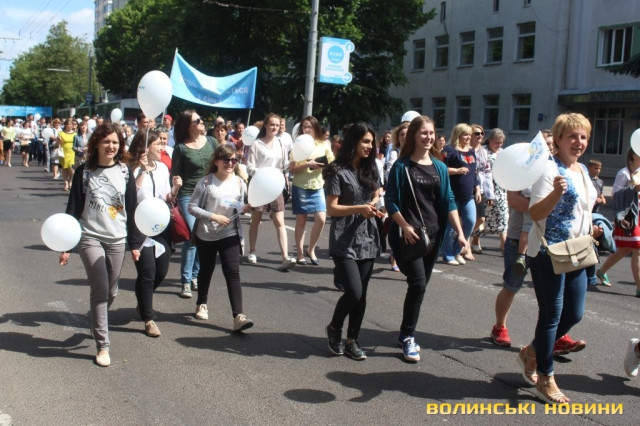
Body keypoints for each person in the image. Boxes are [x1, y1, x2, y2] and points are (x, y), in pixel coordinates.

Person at [519, 112, 595, 404]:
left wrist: (592, 227)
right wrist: (555, 194)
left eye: (583, 137)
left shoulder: (583, 170)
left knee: (574, 314)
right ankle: (545, 376)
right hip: (548, 252)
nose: (578, 142)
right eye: (572, 136)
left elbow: (582, 209)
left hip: (578, 250)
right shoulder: (549, 169)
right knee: (551, 314)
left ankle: (532, 351)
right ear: (559, 139)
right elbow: (535, 212)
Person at [59, 123, 144, 367]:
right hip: (90, 236)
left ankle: (98, 320)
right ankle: (103, 345)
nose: (111, 146)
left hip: (117, 238)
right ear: (96, 143)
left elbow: (132, 209)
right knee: (100, 288)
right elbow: (73, 209)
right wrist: (66, 245)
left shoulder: (125, 172)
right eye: (106, 141)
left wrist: (135, 243)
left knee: (111, 292)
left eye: (115, 142)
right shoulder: (84, 172)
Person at [385, 115, 468, 362]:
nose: (429, 137)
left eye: (432, 133)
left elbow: (449, 200)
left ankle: (405, 332)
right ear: (413, 135)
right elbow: (391, 200)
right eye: (424, 132)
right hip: (408, 236)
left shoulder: (440, 167)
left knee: (420, 287)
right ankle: (408, 336)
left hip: (433, 235)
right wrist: (404, 226)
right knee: (418, 284)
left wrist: (460, 233)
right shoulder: (401, 167)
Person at [324, 122, 382, 360]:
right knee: (354, 292)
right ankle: (334, 328)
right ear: (354, 141)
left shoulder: (371, 168)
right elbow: (332, 209)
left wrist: (375, 203)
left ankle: (352, 340)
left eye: (372, 143)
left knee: (362, 294)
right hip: (344, 238)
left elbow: (377, 191)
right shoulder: (337, 171)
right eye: (365, 141)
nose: (369, 146)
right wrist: (360, 208)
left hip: (368, 236)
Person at [188, 145, 254, 331]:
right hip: (206, 233)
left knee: (232, 271)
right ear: (216, 161)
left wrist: (243, 208)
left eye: (234, 160)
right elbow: (192, 207)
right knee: (206, 269)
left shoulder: (240, 183)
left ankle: (238, 316)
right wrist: (213, 216)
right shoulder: (206, 182)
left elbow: (235, 205)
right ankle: (201, 303)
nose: (230, 164)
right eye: (226, 160)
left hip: (229, 232)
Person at [128, 130, 182, 337]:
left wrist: (175, 189)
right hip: (140, 227)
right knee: (147, 272)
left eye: (162, 143)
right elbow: (130, 196)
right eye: (158, 144)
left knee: (161, 272)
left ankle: (143, 301)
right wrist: (141, 171)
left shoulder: (162, 168)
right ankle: (148, 319)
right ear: (145, 147)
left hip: (161, 225)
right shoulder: (132, 170)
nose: (162, 147)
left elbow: (166, 198)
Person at [171, 110, 219, 298]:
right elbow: (175, 174)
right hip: (188, 195)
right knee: (192, 236)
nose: (202, 121)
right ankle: (185, 281)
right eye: (197, 120)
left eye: (201, 119)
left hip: (209, 194)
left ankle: (195, 275)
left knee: (203, 235)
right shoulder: (181, 148)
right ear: (188, 126)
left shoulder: (212, 142)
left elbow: (220, 165)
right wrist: (175, 187)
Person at [246, 113, 297, 270]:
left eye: (277, 125)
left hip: (276, 186)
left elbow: (284, 165)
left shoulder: (281, 143)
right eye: (272, 124)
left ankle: (285, 257)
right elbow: (249, 167)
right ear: (266, 126)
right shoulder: (257, 144)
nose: (274, 127)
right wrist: (263, 173)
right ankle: (252, 251)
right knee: (256, 220)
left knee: (280, 222)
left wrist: (290, 166)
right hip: (260, 186)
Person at [289, 115, 335, 265]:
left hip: (318, 186)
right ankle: (300, 253)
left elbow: (332, 163)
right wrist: (308, 164)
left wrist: (323, 165)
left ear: (316, 128)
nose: (306, 129)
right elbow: (292, 169)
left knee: (321, 219)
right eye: (304, 127)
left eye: (309, 126)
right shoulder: (297, 144)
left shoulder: (324, 143)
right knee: (301, 221)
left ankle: (311, 249)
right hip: (300, 186)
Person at [595, 148, 640, 297]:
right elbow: (615, 193)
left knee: (625, 249)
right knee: (637, 249)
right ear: (634, 156)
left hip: (638, 215)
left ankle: (601, 271)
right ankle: (639, 287)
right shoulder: (624, 173)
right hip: (628, 217)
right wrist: (633, 188)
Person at [441, 123, 480, 265]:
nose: (468, 137)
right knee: (450, 227)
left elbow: (475, 172)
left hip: (468, 195)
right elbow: (440, 169)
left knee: (470, 221)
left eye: (470, 134)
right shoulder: (449, 150)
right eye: (465, 134)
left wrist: (477, 188)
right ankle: (448, 254)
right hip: (452, 194)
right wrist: (457, 171)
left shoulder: (471, 152)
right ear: (458, 135)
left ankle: (457, 250)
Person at [471, 128, 509, 256]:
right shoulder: (483, 151)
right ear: (490, 140)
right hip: (486, 188)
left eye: (501, 142)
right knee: (483, 217)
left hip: (501, 189)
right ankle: (475, 240)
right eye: (496, 142)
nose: (499, 145)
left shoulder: (503, 153)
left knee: (503, 216)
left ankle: (504, 244)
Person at [469, 124, 488, 257]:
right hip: (468, 186)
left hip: (480, 187)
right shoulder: (466, 150)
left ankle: (463, 235)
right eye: (476, 133)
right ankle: (464, 242)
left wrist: (489, 193)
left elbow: (487, 172)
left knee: (481, 219)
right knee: (467, 218)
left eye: (481, 133)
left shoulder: (484, 151)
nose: (480, 136)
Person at [58, 118, 77, 191]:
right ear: (65, 125)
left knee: (71, 168)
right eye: (69, 124)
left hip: (72, 153)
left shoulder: (75, 134)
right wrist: (59, 141)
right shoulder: (61, 133)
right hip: (64, 152)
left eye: (72, 124)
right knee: (64, 168)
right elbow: (58, 144)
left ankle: (70, 181)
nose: (71, 125)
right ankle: (65, 182)